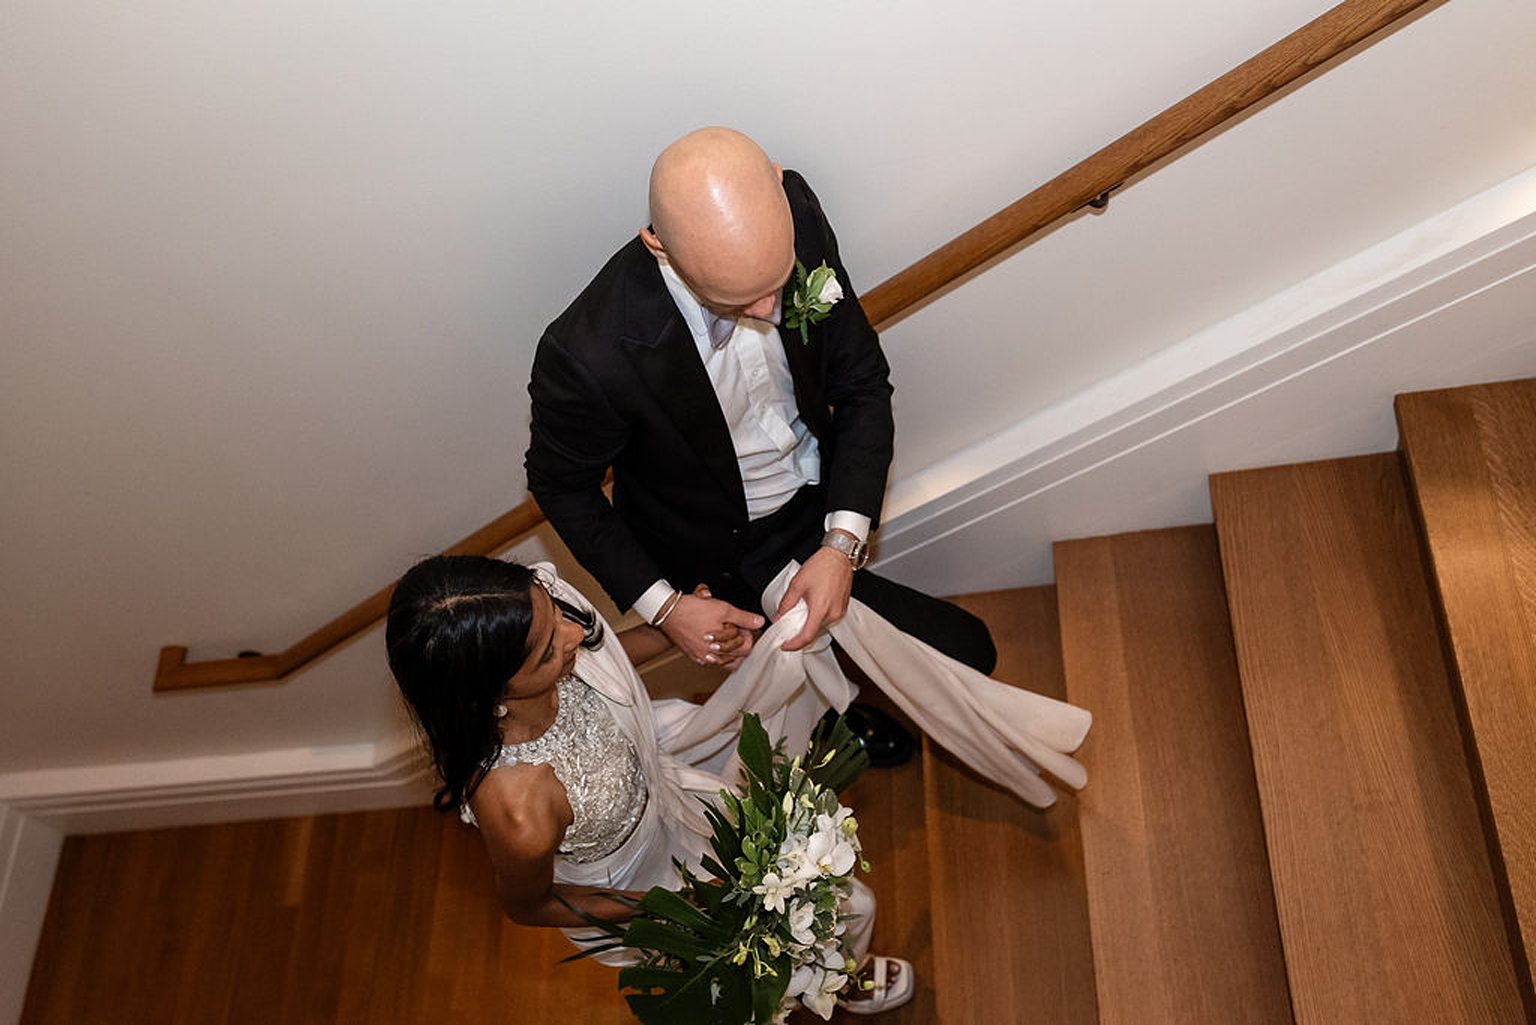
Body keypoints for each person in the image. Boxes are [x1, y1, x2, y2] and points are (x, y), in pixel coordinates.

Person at [525, 127, 997, 762]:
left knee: (970, 653)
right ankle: (841, 725)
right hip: (715, 552)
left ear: (777, 184)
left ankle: (842, 706)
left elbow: (861, 384)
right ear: (658, 246)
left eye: (776, 283)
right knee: (784, 683)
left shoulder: (795, 207)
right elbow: (561, 484)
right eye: (739, 299)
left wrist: (841, 544)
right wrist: (667, 610)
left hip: (819, 492)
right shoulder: (588, 352)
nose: (773, 309)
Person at [384, 554, 915, 1015]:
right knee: (745, 969)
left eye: (555, 618)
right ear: (488, 691)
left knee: (829, 899)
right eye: (547, 650)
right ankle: (807, 988)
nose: (572, 634)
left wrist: (674, 631)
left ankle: (840, 973)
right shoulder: (520, 811)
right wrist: (672, 906)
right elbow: (534, 905)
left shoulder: (539, 626)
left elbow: (602, 655)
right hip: (644, 875)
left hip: (670, 777)